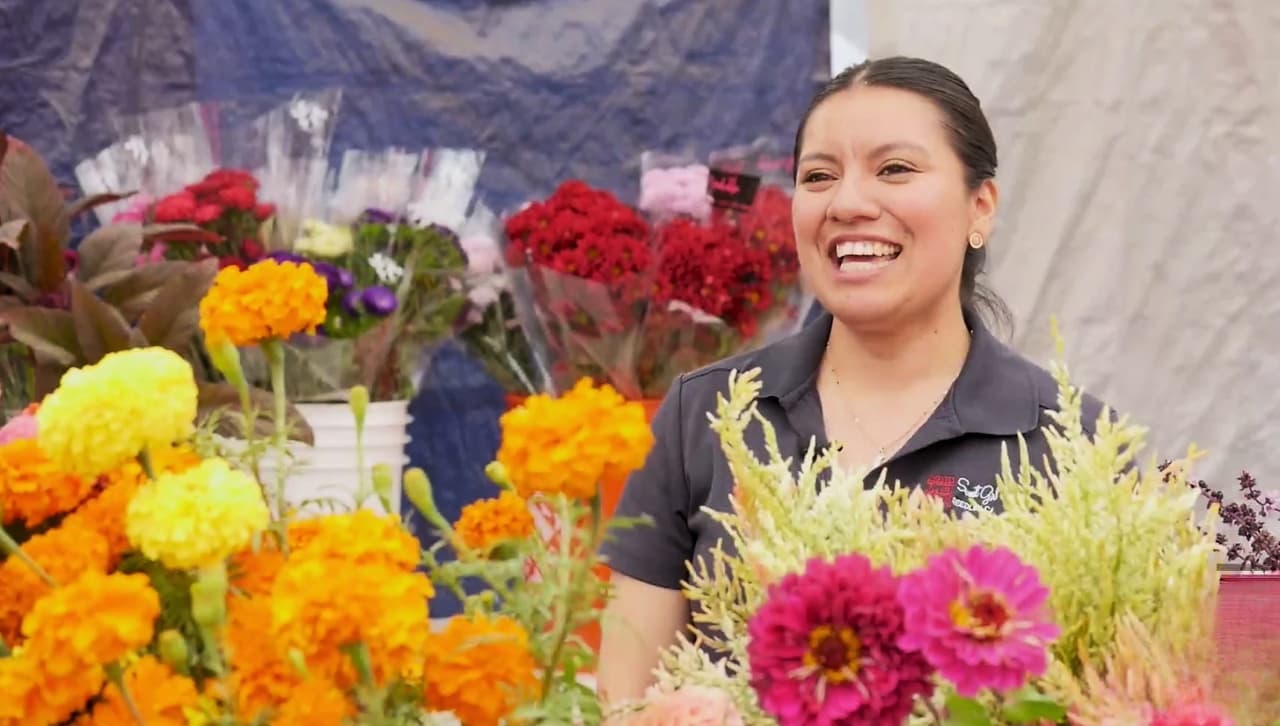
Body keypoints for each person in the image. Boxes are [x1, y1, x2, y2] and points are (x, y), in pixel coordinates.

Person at [596, 56, 1105, 703]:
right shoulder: (705, 415)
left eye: (895, 169)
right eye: (819, 176)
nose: (848, 203)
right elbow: (623, 701)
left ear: (981, 207)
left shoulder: (1073, 443)